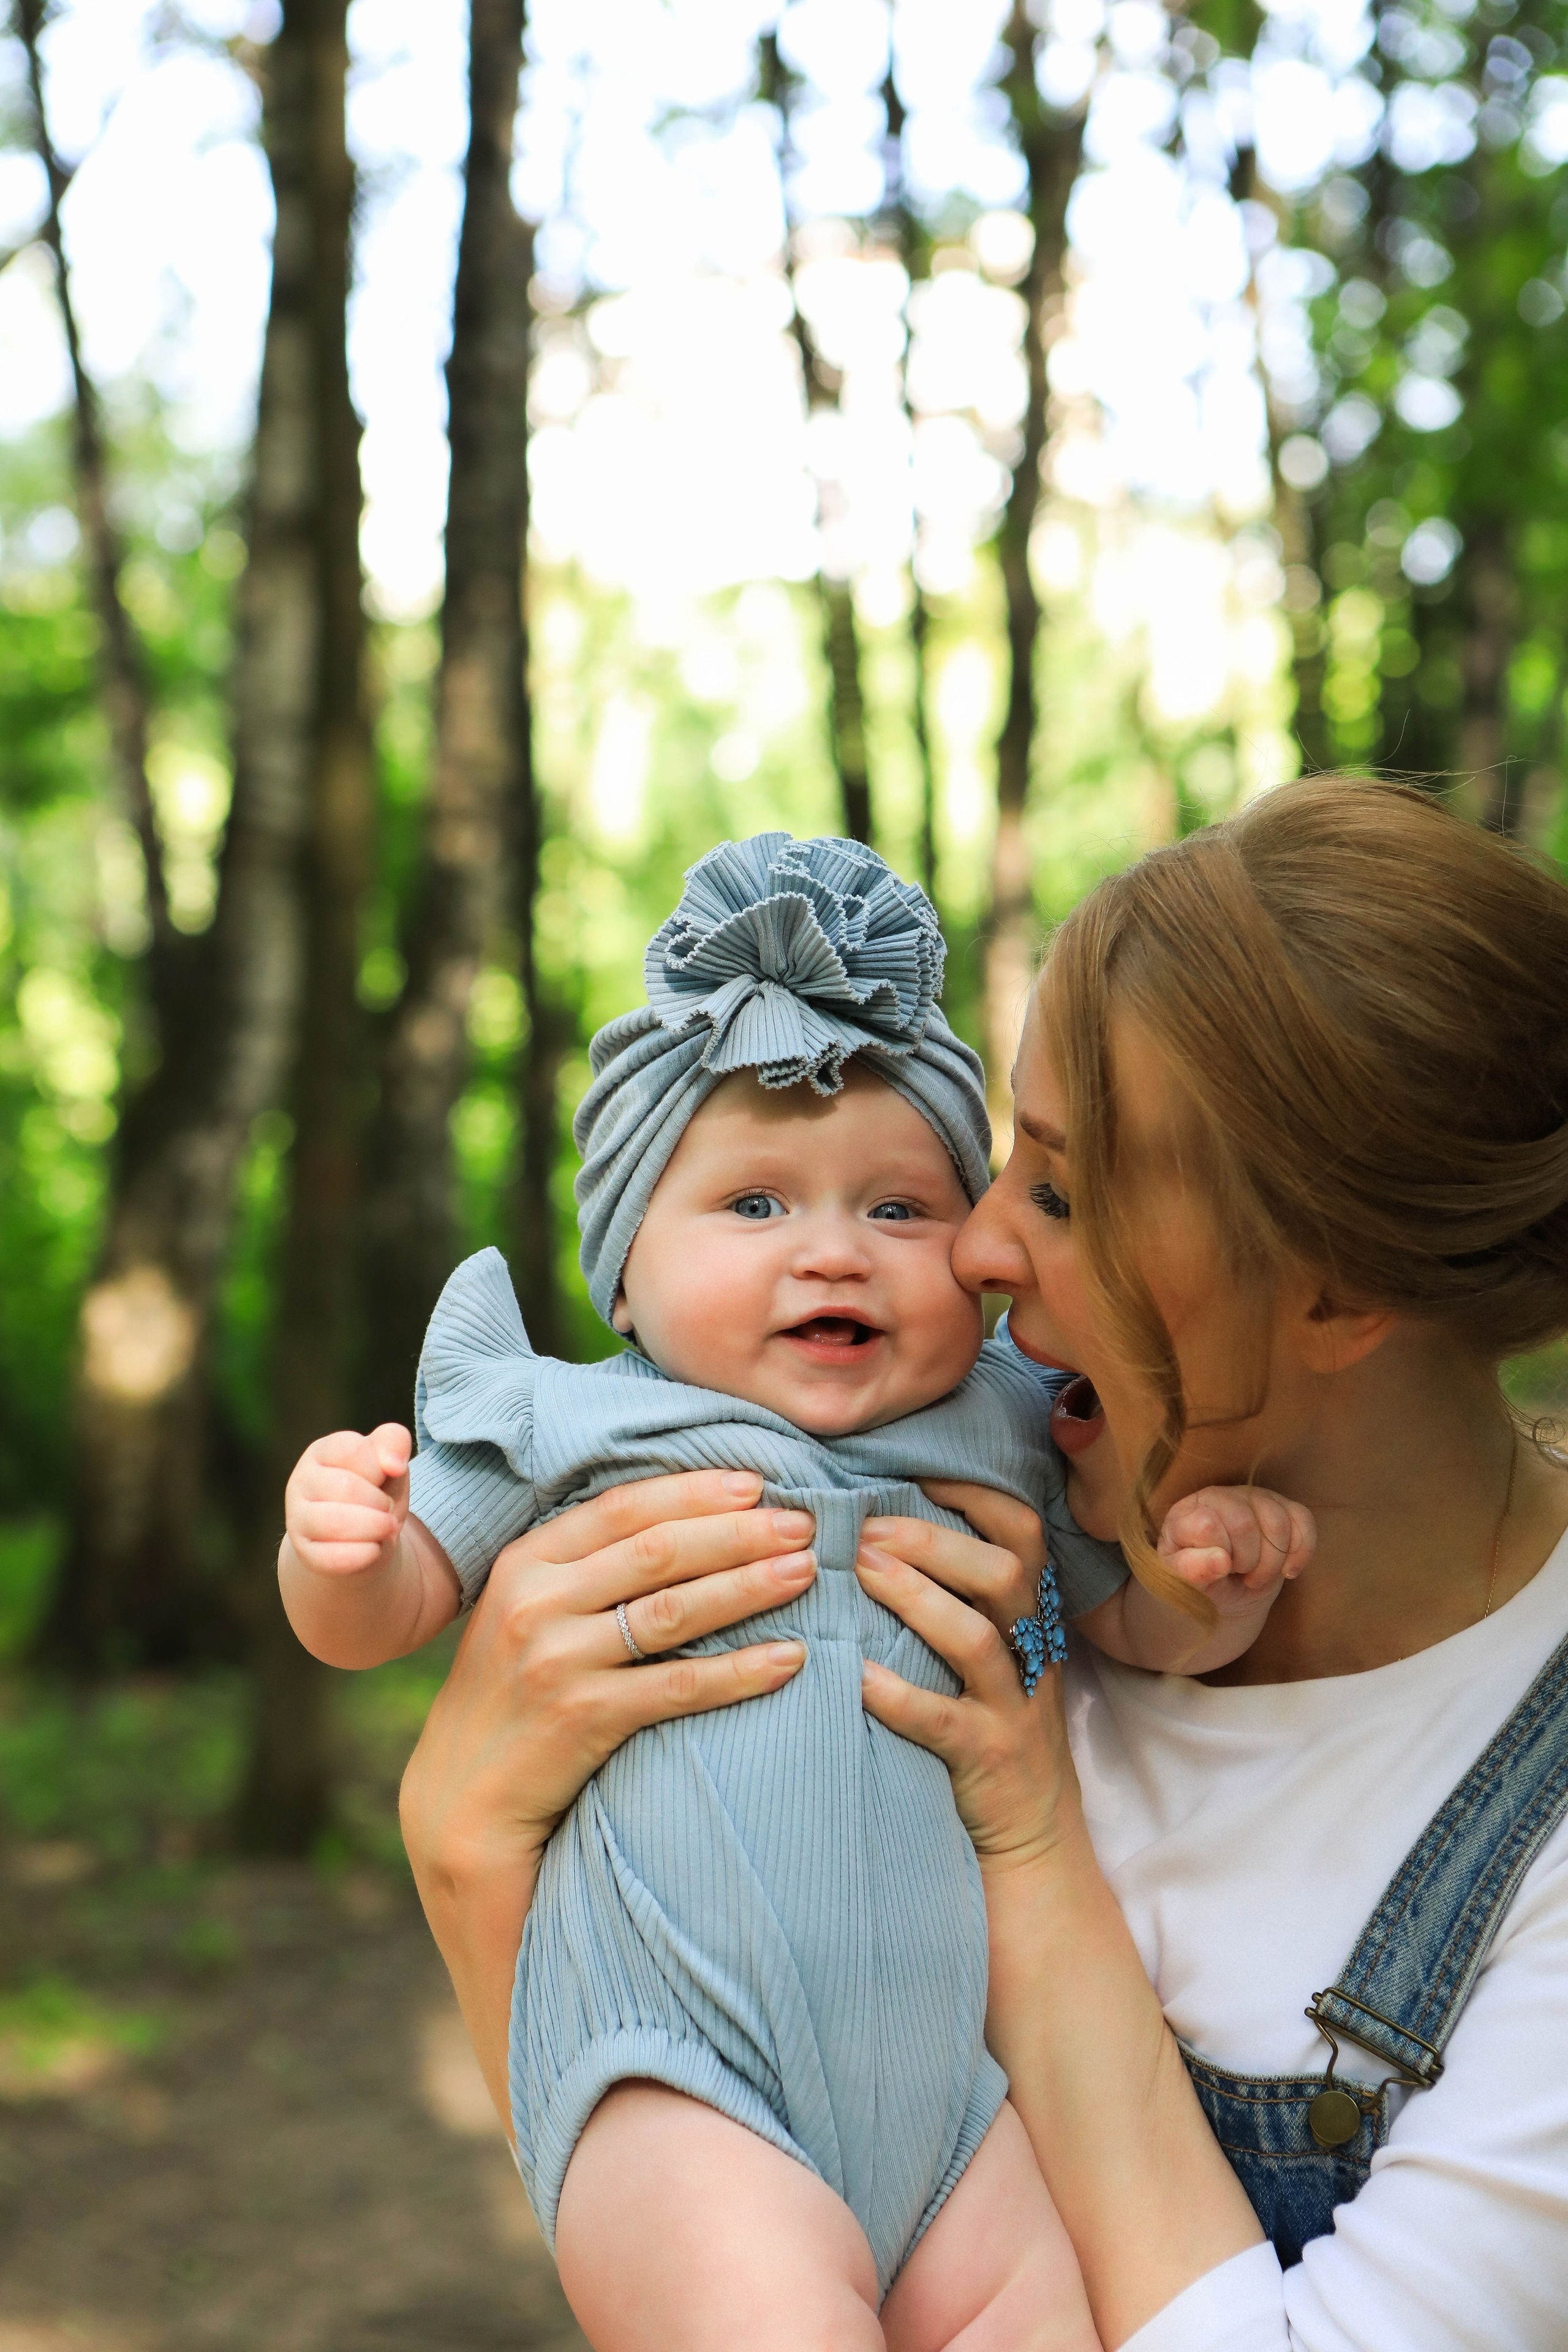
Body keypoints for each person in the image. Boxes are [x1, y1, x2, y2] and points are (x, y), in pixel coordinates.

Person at [396, 778, 1568, 2350]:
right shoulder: (949, 1508)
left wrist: (1028, 1849)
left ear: (1337, 1295)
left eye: (1064, 1193)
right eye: (1005, 1156)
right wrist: (471, 1856)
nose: (971, 1246)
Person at [281, 834, 1311, 2352]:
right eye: (754, 1208)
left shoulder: (1005, 1437)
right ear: (625, 1274)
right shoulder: (579, 1421)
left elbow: (1121, 1624)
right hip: (677, 2080)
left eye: (897, 1211)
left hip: (956, 2109)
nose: (832, 1251)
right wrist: (341, 1550)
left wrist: (1210, 1585)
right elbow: (388, 1615)